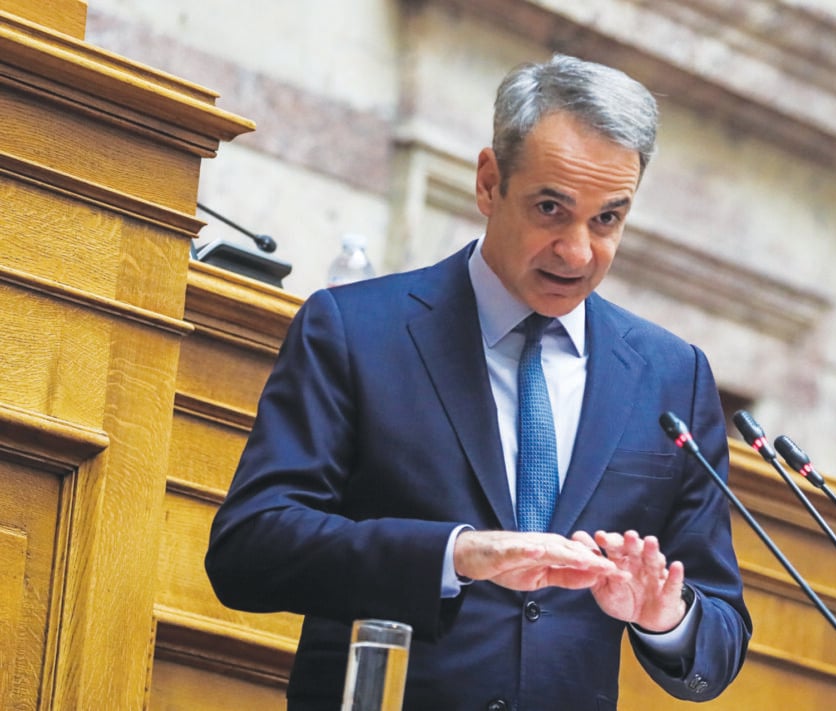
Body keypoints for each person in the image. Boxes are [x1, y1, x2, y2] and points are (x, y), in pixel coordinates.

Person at [205, 54, 751, 711]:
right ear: (489, 183)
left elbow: (716, 643)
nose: (578, 251)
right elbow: (249, 549)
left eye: (607, 219)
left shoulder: (673, 377)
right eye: (551, 208)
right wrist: (455, 554)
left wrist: (666, 615)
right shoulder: (355, 330)